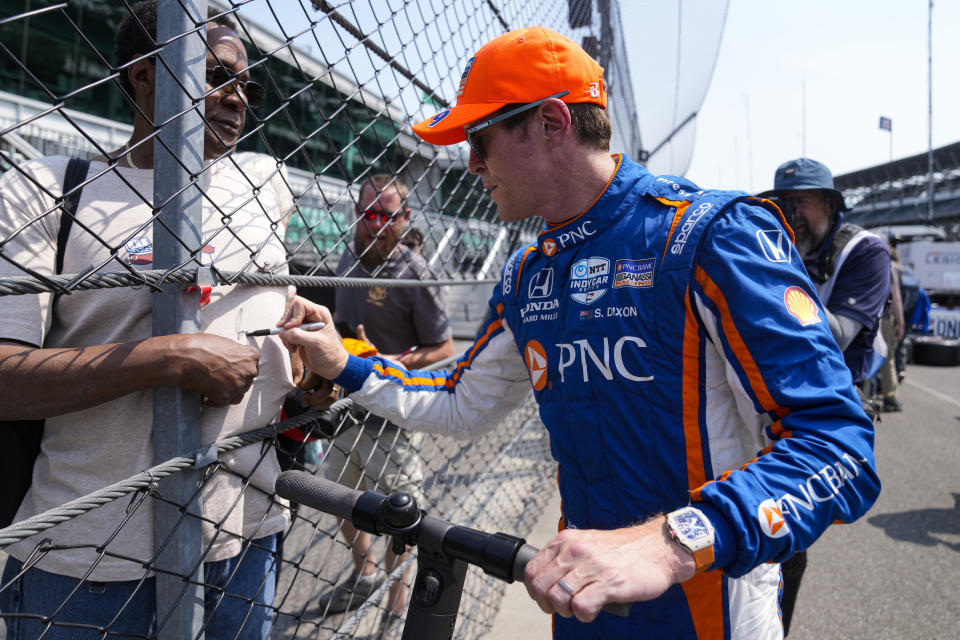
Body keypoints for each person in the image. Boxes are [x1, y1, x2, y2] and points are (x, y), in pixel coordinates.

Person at [278, 26, 880, 639]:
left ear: (551, 123)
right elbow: (461, 398)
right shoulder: (528, 273)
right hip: (582, 599)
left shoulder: (710, 234)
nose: (472, 163)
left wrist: (671, 544)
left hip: (710, 603)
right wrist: (344, 363)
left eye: (479, 138)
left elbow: (838, 446)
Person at [0, 3, 292, 638]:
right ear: (145, 76)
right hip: (86, 562)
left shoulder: (263, 188)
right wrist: (170, 358)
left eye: (246, 83)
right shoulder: (49, 191)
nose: (238, 98)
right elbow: (5, 379)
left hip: (244, 538)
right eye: (218, 76)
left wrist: (308, 374)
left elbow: (280, 322)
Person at [310, 175, 453, 637]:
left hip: (394, 410)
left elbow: (444, 345)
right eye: (369, 213)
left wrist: (396, 361)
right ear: (357, 214)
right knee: (340, 497)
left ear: (405, 219)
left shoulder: (416, 273)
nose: (376, 224)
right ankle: (365, 573)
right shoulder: (349, 256)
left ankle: (394, 610)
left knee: (399, 513)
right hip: (347, 407)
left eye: (388, 216)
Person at [758, 157, 891, 634]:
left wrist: (776, 267)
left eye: (801, 203)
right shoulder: (776, 244)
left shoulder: (864, 250)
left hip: (827, 409)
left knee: (787, 531)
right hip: (768, 399)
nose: (790, 214)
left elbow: (835, 336)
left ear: (831, 204)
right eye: (782, 204)